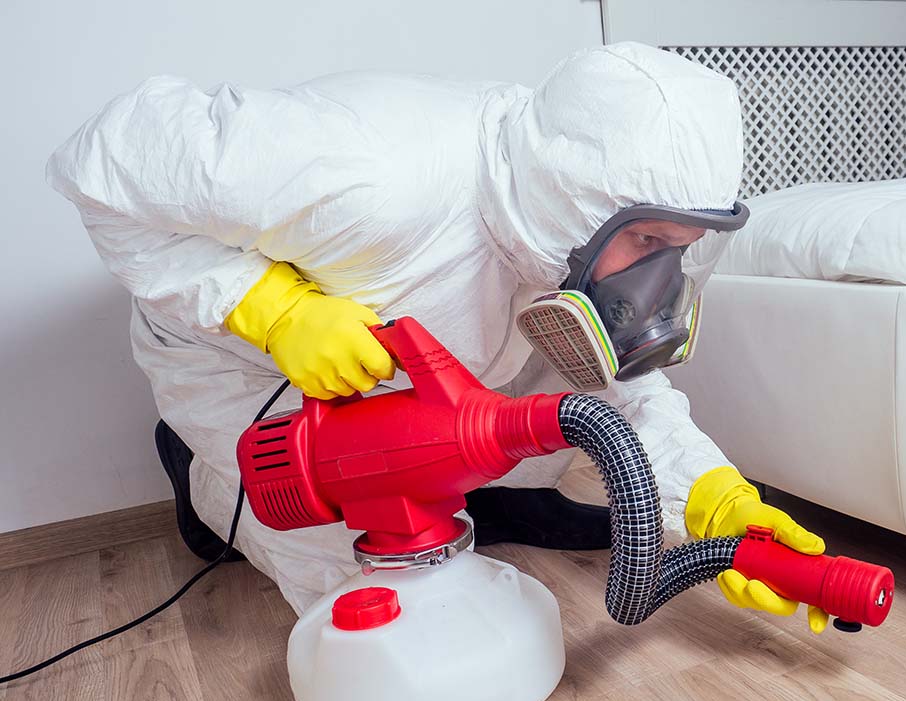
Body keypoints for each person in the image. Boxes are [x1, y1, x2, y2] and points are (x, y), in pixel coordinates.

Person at [48, 42, 830, 632]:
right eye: (648, 240)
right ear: (579, 198)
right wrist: (271, 307)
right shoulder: (366, 173)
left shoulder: (550, 226)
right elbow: (106, 158)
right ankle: (206, 484)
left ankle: (468, 496)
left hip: (429, 342)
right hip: (246, 367)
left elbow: (618, 401)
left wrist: (719, 501)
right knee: (376, 608)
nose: (656, 280)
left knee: (558, 457)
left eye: (678, 248)